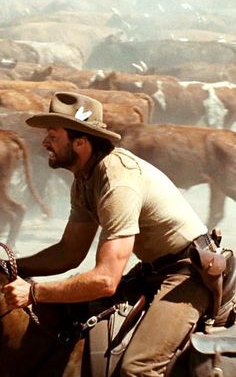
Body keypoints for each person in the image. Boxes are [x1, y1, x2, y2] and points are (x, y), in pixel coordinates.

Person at [2, 91, 216, 376]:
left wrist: (33, 291)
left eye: (53, 136)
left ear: (80, 142)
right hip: (152, 271)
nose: (45, 143)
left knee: (137, 368)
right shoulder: (85, 178)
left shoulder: (117, 183)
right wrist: (11, 266)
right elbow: (69, 252)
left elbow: (105, 281)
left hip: (187, 276)